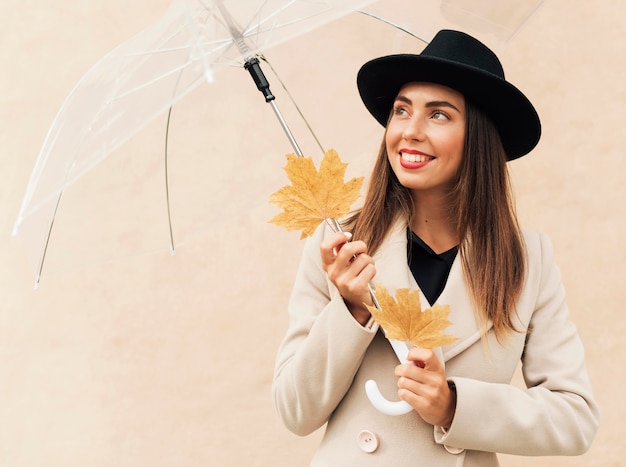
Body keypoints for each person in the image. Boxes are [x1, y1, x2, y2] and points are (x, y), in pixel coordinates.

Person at [272, 29, 599, 466]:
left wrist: (453, 406)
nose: (410, 131)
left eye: (439, 115)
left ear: (479, 138)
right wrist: (351, 309)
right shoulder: (339, 246)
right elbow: (295, 410)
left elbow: (574, 419)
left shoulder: (528, 263)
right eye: (401, 110)